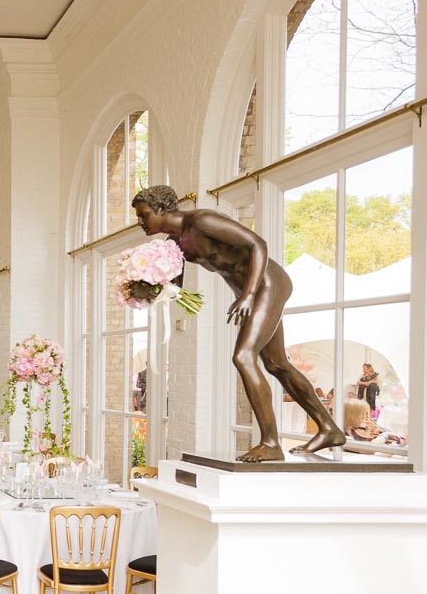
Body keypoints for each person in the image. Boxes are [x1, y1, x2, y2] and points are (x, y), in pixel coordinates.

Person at [132, 185, 345, 461]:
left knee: (244, 356)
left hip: (267, 283)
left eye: (143, 214)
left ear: (161, 209)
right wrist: (143, 287)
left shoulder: (201, 221)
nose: (140, 222)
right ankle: (329, 429)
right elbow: (176, 290)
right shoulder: (175, 245)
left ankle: (270, 442)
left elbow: (258, 244)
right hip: (250, 292)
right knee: (277, 364)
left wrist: (249, 294)